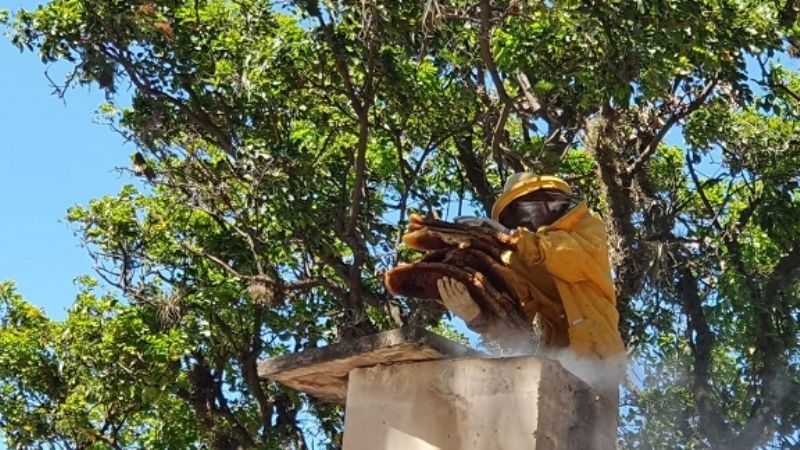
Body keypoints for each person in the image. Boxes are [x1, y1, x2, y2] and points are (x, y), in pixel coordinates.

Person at [436, 173, 625, 368]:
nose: (525, 221)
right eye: (515, 218)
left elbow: (570, 258)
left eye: (525, 210)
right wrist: (477, 316)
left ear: (551, 200)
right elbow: (517, 332)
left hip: (600, 357)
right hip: (557, 362)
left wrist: (511, 237)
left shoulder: (588, 225)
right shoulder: (524, 262)